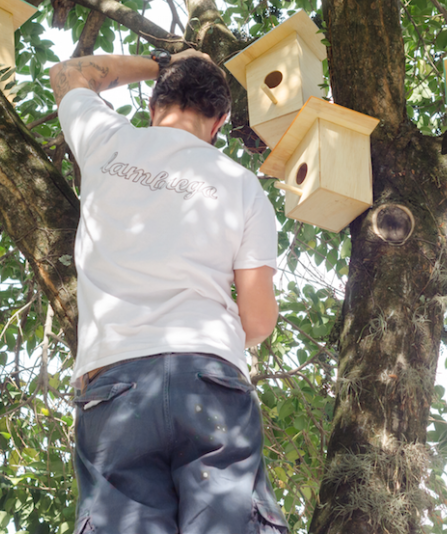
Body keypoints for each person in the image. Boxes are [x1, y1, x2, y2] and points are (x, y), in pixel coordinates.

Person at [50, 48, 289, 534]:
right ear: (220, 121)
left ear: (154, 104)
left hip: (116, 385)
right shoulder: (243, 186)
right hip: (209, 377)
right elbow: (259, 321)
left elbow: (69, 74)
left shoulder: (107, 141)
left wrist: (166, 64)